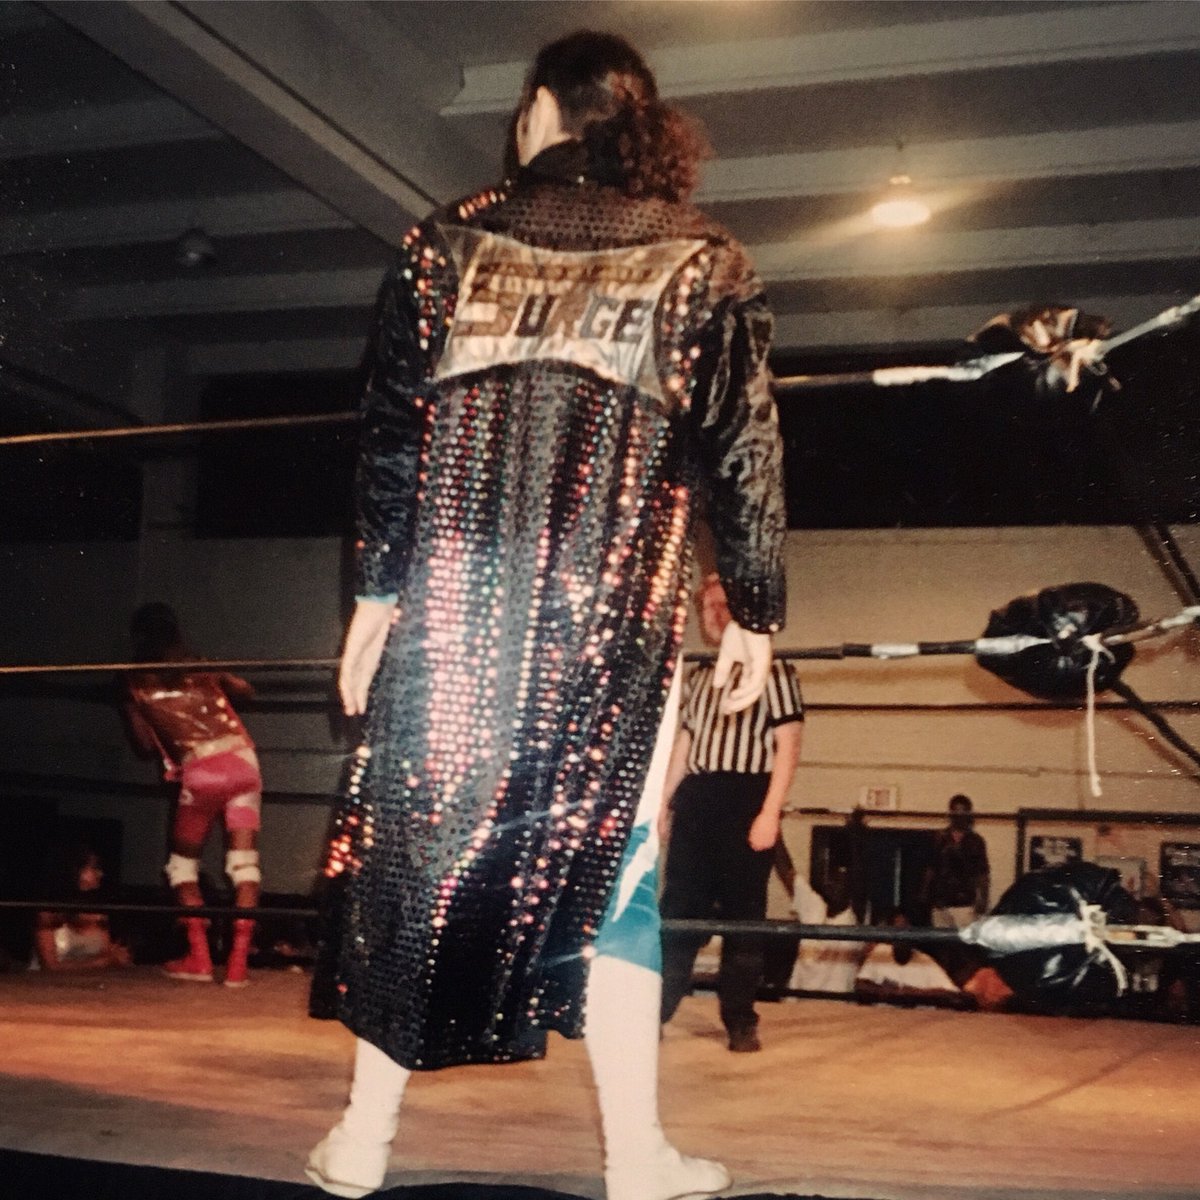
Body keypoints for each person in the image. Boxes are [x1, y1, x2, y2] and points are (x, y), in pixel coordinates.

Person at [306, 30, 786, 1200]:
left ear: (536, 113)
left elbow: (389, 438)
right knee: (619, 881)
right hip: (609, 635)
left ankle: (363, 1141)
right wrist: (754, 609)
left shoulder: (447, 240)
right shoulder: (701, 256)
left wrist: (375, 595)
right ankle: (636, 1159)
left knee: (413, 864)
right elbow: (744, 448)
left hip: (452, 623)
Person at [658, 575, 802, 1051]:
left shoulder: (775, 671)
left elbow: (788, 745)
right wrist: (664, 802)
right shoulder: (700, 676)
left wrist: (770, 812)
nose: (715, 615)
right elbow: (685, 744)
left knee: (744, 915)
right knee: (679, 908)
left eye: (724, 606)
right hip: (698, 798)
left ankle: (740, 1018)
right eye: (708, 608)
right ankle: (655, 1011)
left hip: (746, 797)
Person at [123, 602, 262, 987]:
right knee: (245, 864)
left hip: (202, 771)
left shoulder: (135, 683)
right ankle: (237, 966)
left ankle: (200, 959)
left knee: (182, 867)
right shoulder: (199, 664)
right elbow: (246, 691)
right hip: (243, 762)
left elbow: (145, 746)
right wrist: (220, 675)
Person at [31, 844, 132, 973]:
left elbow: (107, 955)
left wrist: (117, 957)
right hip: (44, 983)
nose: (100, 874)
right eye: (94, 868)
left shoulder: (98, 913)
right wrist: (103, 962)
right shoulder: (48, 913)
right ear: (74, 871)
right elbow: (50, 966)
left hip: (90, 982)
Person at [921, 793, 990, 929]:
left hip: (964, 902)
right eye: (956, 811)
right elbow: (931, 868)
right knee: (941, 939)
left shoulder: (976, 841)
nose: (959, 816)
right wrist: (925, 892)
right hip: (941, 902)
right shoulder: (939, 839)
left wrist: (983, 898)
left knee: (963, 939)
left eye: (962, 812)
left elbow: (983, 872)